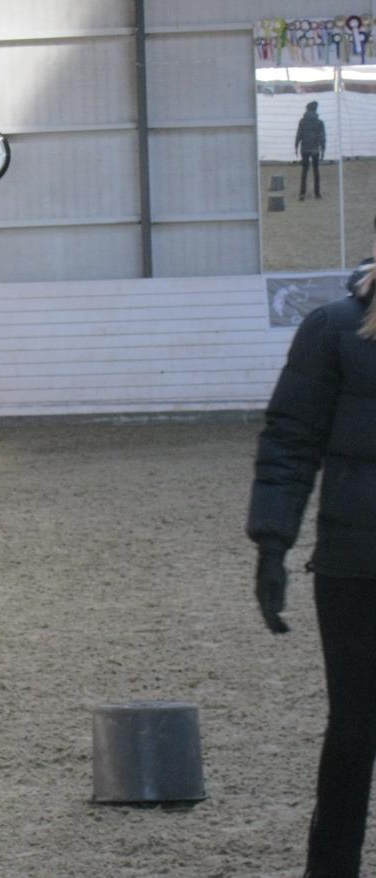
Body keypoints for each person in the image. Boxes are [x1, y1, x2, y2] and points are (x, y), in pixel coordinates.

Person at [247, 222, 376, 877]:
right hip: (357, 568)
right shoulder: (333, 330)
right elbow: (290, 440)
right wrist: (273, 544)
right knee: (355, 731)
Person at [295, 100, 326, 201]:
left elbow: (299, 135)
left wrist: (296, 146)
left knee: (304, 171)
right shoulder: (319, 122)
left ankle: (302, 194)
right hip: (315, 149)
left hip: (304, 149)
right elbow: (322, 137)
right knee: (316, 171)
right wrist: (323, 150)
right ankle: (317, 193)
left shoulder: (302, 121)